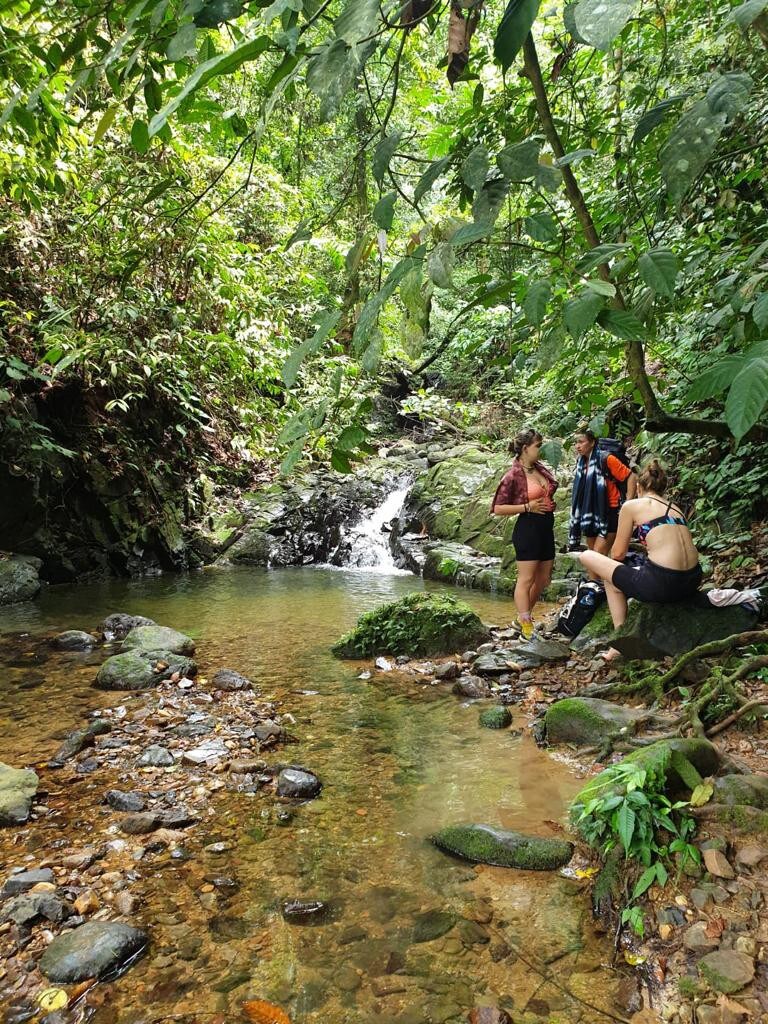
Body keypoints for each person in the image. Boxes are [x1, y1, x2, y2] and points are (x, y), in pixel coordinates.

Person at [577, 458, 702, 661]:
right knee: (620, 574)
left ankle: (620, 642)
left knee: (589, 557)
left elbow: (617, 554)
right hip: (692, 580)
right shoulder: (677, 508)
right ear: (662, 488)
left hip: (663, 583)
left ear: (638, 487)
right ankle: (621, 641)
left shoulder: (631, 505)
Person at [491, 428, 558, 640]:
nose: (542, 449)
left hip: (546, 526)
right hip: (528, 527)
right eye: (538, 446)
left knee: (544, 578)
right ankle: (526, 623)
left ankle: (522, 619)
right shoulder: (512, 475)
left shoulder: (540, 469)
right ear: (525, 448)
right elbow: (497, 509)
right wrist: (527, 507)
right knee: (526, 578)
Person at [568, 429, 637, 558]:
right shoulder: (581, 462)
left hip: (610, 510)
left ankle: (604, 578)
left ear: (592, 442)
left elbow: (631, 476)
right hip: (589, 512)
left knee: (599, 552)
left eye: (581, 442)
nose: (577, 446)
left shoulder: (606, 459)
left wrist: (628, 502)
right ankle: (594, 579)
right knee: (591, 552)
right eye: (575, 443)